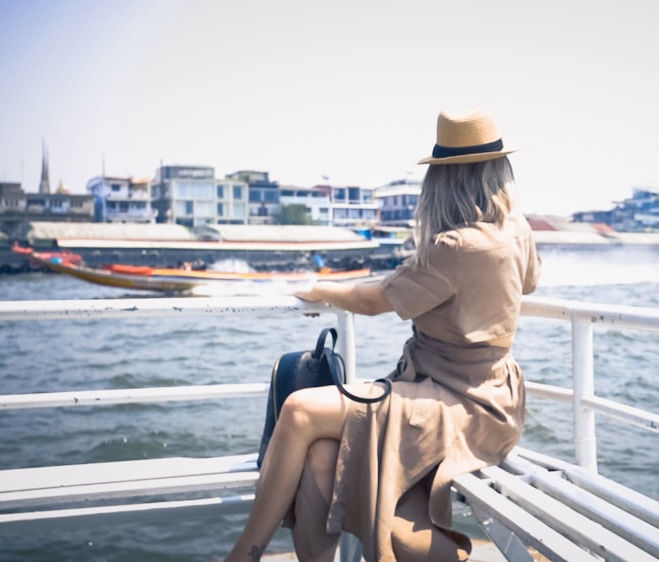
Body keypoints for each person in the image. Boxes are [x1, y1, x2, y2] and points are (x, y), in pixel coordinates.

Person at [223, 108, 541, 562]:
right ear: (497, 171)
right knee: (320, 458)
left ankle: (244, 554)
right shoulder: (518, 229)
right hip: (498, 401)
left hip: (451, 401)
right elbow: (527, 284)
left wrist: (321, 289)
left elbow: (374, 301)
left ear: (444, 180)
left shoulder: (451, 247)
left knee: (297, 411)